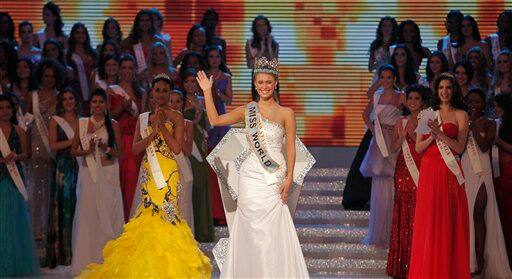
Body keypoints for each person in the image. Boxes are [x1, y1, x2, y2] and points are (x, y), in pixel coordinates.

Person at [78, 74, 211, 278]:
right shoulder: (142, 117)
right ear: (152, 93)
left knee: (169, 218)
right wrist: (151, 133)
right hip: (150, 172)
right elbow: (134, 148)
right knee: (148, 218)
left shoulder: (177, 117)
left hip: (168, 173)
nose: (161, 94)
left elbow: (178, 149)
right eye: (157, 90)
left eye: (165, 91)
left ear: (170, 93)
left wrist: (161, 128)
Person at [197, 56, 308, 277]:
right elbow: (215, 120)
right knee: (249, 226)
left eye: (268, 82)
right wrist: (207, 91)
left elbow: (291, 149)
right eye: (260, 82)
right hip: (249, 177)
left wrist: (288, 178)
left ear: (275, 83)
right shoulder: (246, 110)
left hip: (274, 177)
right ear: (255, 84)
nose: (264, 86)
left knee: (272, 230)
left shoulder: (287, 113)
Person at [408, 73, 470, 278]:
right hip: (431, 169)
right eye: (441, 87)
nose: (444, 91)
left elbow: (460, 148)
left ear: (454, 90)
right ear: (436, 90)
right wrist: (432, 137)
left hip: (450, 171)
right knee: (430, 221)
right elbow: (418, 147)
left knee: (449, 220)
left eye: (448, 88)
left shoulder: (461, 115)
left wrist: (441, 134)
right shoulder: (427, 114)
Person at [70, 88, 124, 275]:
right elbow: (74, 150)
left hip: (108, 173)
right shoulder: (83, 123)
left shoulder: (113, 124)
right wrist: (87, 150)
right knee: (89, 214)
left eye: (101, 102)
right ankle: (87, 259)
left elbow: (120, 153)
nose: (98, 105)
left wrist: (103, 147)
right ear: (90, 104)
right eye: (94, 102)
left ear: (107, 105)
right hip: (88, 174)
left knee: (108, 214)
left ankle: (107, 260)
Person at [461, 88, 512, 277]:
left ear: (484, 104)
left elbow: (484, 146)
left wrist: (473, 127)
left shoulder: (490, 123)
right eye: (470, 102)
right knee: (467, 215)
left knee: (478, 213)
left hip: (482, 172)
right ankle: (469, 260)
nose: (473, 105)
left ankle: (480, 261)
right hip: (466, 170)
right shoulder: (462, 122)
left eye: (477, 102)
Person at [386, 84, 429, 278]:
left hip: (423, 170)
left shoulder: (429, 121)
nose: (412, 102)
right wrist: (402, 136)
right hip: (403, 171)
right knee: (404, 213)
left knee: (421, 213)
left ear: (423, 101)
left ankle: (420, 261)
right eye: (410, 98)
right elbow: (392, 148)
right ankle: (403, 264)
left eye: (416, 99)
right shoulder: (400, 122)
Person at [360, 64, 404, 248]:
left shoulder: (400, 96)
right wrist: (374, 131)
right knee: (379, 184)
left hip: (394, 140)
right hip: (379, 141)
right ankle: (379, 233)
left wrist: (398, 129)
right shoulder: (377, 96)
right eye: (383, 77)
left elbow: (409, 114)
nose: (386, 81)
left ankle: (394, 232)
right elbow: (365, 115)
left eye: (389, 77)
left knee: (394, 182)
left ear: (394, 79)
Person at [27, 58, 62, 262]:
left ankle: (47, 242)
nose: (49, 79)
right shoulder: (32, 96)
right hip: (34, 150)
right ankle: (33, 240)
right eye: (46, 76)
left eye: (52, 76)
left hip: (52, 153)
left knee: (49, 197)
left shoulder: (61, 97)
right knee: (34, 195)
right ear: (40, 76)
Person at [0, 94, 40, 277]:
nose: (5, 111)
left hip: (15, 180)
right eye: (1, 108)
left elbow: (27, 153)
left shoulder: (20, 130)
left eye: (8, 107)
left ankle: (13, 262)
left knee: (15, 222)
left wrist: (16, 157)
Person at [107, 54, 145, 221]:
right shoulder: (111, 90)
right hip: (118, 139)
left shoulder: (141, 92)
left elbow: (143, 117)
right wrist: (122, 107)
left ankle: (132, 218)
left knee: (132, 178)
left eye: (131, 67)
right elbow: (108, 116)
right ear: (119, 70)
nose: (127, 71)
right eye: (124, 67)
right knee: (117, 178)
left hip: (134, 140)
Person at [45, 88, 80, 268]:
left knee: (79, 206)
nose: (68, 101)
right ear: (60, 102)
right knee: (65, 208)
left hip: (81, 165)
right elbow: (53, 145)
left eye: (71, 98)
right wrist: (73, 141)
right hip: (63, 168)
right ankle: (65, 253)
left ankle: (79, 250)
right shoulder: (55, 121)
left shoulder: (83, 120)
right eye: (64, 99)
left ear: (76, 100)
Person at [181, 67, 214, 242]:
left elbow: (210, 125)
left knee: (201, 183)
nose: (189, 84)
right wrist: (193, 120)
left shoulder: (203, 99)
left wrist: (204, 115)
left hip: (201, 142)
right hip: (186, 143)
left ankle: (203, 230)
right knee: (189, 182)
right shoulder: (180, 101)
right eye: (186, 81)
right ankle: (189, 229)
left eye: (192, 81)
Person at [494, 93, 512, 267]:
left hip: (509, 172)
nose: (496, 109)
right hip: (501, 172)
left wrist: (497, 140)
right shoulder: (500, 123)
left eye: (498, 106)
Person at [67, 23, 98, 105]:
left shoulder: (93, 54)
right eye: (77, 33)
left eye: (83, 33)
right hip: (76, 92)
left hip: (93, 91)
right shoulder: (68, 55)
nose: (80, 35)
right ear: (73, 35)